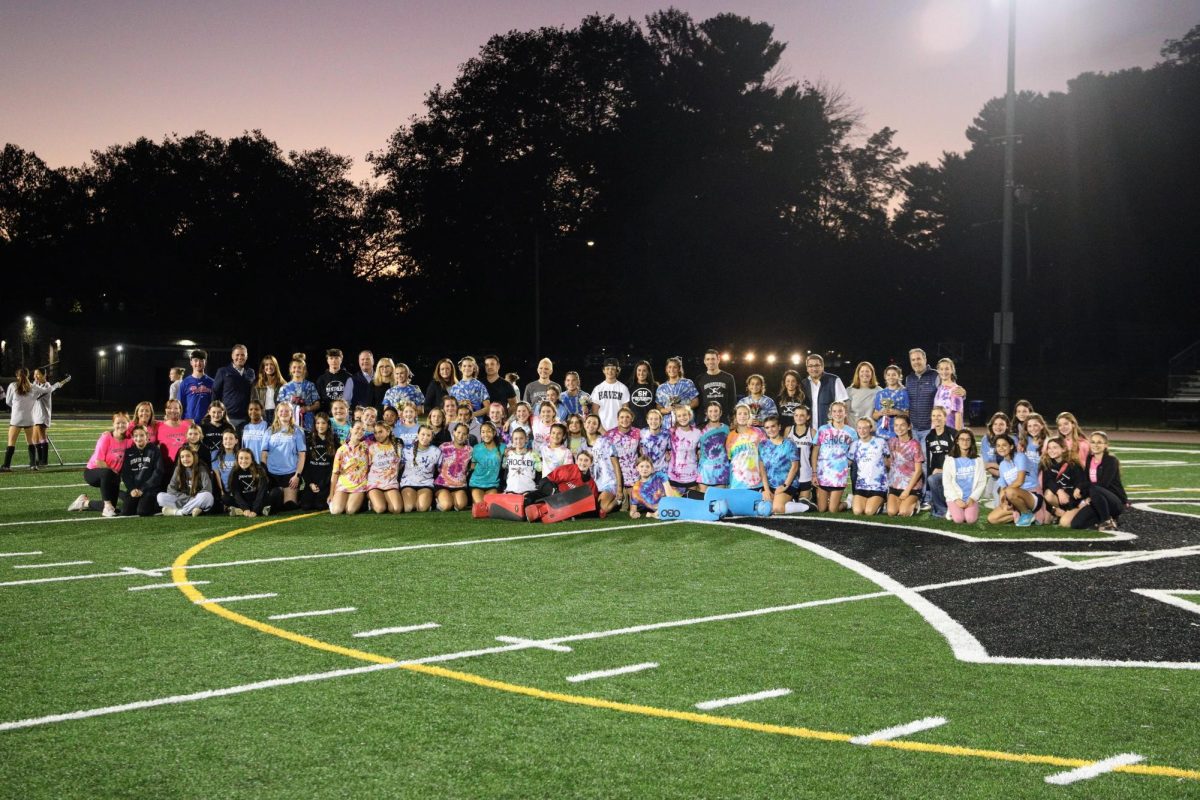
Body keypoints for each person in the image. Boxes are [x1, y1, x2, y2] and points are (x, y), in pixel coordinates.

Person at [4, 368, 70, 472]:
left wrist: (17, 407)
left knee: (11, 443)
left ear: (17, 376)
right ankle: (33, 465)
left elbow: (8, 401)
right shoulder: (34, 387)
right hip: (29, 418)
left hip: (16, 419)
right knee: (30, 443)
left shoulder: (13, 385)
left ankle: (6, 466)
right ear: (28, 375)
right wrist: (59, 383)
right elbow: (49, 390)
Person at [69, 412, 131, 517]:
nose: (121, 425)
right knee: (107, 473)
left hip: (114, 476)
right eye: (118, 423)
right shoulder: (106, 438)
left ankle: (84, 503)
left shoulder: (129, 441)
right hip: (94, 473)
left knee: (114, 508)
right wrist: (114, 472)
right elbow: (99, 461)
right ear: (113, 424)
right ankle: (107, 506)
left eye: (124, 423)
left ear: (129, 424)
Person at [1071, 431, 1127, 531]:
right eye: (1092, 442)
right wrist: (1082, 489)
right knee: (1077, 524)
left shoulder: (1111, 461)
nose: (1095, 445)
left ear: (1105, 445)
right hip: (1097, 499)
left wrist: (1084, 489)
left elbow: (1103, 484)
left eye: (1099, 442)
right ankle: (1109, 520)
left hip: (1114, 501)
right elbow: (1086, 479)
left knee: (1094, 488)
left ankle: (1107, 522)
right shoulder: (1090, 459)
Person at [259, 401, 307, 511]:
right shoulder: (269, 431)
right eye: (281, 411)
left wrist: (297, 476)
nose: (284, 413)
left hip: (290, 475)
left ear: (291, 413)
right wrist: (265, 475)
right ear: (277, 413)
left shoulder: (298, 431)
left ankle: (296, 495)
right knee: (274, 499)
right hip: (272, 474)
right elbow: (264, 455)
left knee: (289, 506)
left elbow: (302, 455)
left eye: (287, 411)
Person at [986, 435, 1042, 527]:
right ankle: (1019, 514)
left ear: (1011, 446)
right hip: (1014, 497)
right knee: (992, 518)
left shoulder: (1020, 457)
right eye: (998, 446)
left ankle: (1027, 514)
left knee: (1009, 491)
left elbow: (1019, 481)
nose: (1001, 448)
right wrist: (1003, 502)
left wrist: (1006, 493)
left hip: (1032, 495)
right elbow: (1002, 487)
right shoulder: (1002, 465)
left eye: (1004, 445)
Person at [812, 400, 854, 513]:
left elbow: (855, 451)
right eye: (834, 411)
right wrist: (814, 473)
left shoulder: (851, 432)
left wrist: (846, 463)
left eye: (840, 411)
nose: (837, 414)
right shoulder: (823, 429)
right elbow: (815, 451)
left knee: (833, 510)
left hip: (839, 475)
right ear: (830, 413)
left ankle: (848, 502)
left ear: (845, 413)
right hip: (823, 473)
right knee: (821, 509)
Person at [119, 425, 166, 516]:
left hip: (150, 489)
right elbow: (126, 474)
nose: (138, 438)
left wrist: (143, 489)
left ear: (147, 436)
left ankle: (158, 505)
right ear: (132, 437)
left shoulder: (154, 450)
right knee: (125, 512)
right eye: (135, 436)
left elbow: (158, 472)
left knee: (142, 511)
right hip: (135, 489)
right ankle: (122, 494)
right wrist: (132, 489)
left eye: (141, 435)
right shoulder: (129, 452)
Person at [725, 404, 769, 501]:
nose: (742, 416)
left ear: (750, 416)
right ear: (735, 417)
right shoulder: (730, 436)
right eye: (739, 414)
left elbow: (765, 455)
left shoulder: (758, 433)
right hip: (736, 482)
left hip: (755, 481)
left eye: (745, 414)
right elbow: (730, 459)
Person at [1040, 436, 1085, 527]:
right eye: (1049, 448)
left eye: (1055, 447)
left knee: (1065, 523)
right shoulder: (1047, 463)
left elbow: (1081, 483)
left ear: (1064, 449)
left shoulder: (1073, 464)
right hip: (1058, 500)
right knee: (1045, 520)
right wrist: (1059, 492)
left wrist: (1071, 497)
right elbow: (1048, 482)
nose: (1051, 450)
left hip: (1073, 500)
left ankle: (1078, 512)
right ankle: (1059, 512)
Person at [759, 415, 800, 514]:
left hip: (787, 484)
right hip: (769, 485)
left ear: (779, 427)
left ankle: (798, 504)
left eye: (773, 426)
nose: (770, 430)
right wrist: (766, 489)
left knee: (777, 509)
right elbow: (762, 469)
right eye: (767, 427)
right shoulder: (762, 445)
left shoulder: (789, 444)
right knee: (763, 509)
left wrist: (784, 486)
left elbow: (795, 467)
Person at [848, 417, 889, 516]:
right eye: (859, 428)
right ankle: (853, 500)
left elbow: (889, 462)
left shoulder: (881, 442)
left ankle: (883, 501)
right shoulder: (855, 445)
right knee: (858, 511)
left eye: (865, 428)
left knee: (869, 512)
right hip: (861, 485)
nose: (862, 431)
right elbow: (848, 463)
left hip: (878, 486)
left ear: (871, 429)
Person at [944, 430, 987, 524]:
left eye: (968, 439)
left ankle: (971, 510)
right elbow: (947, 483)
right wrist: (956, 499)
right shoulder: (949, 459)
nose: (965, 442)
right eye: (962, 439)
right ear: (957, 441)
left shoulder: (978, 459)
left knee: (970, 520)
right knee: (958, 519)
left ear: (971, 442)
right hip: (955, 497)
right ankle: (951, 508)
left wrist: (972, 498)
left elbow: (982, 482)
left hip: (970, 498)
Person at [157, 447, 215, 517]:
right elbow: (171, 489)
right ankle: (193, 509)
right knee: (160, 497)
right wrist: (188, 499)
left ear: (194, 456)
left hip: (197, 499)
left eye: (188, 456)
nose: (185, 459)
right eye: (182, 457)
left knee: (207, 496)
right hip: (184, 500)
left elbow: (208, 489)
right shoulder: (178, 469)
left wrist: (195, 499)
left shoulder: (201, 468)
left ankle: (179, 512)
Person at [885, 415, 923, 517]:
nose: (899, 428)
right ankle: (897, 502)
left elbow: (919, 470)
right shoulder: (891, 442)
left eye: (902, 425)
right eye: (896, 425)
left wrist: (907, 491)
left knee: (903, 512)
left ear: (909, 427)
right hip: (895, 485)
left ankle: (915, 503)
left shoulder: (915, 445)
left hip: (911, 487)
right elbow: (888, 462)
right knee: (891, 512)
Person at [329, 422, 370, 515]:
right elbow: (335, 473)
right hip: (343, 484)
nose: (360, 431)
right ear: (351, 429)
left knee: (350, 510)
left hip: (359, 485)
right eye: (358, 428)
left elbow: (370, 468)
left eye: (363, 430)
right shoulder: (341, 449)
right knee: (336, 511)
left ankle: (363, 502)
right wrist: (331, 493)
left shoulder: (366, 448)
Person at [227, 448, 281, 518]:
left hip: (259, 501)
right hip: (245, 501)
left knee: (276, 492)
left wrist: (255, 509)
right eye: (241, 458)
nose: (243, 461)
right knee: (225, 498)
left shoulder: (259, 469)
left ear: (252, 460)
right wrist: (245, 507)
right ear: (237, 459)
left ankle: (241, 511)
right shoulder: (234, 472)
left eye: (247, 458)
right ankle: (260, 511)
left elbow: (262, 491)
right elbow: (236, 492)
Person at [925, 406, 957, 519]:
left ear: (945, 418)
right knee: (931, 478)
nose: (936, 418)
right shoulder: (929, 436)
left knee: (934, 479)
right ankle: (942, 510)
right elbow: (929, 461)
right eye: (934, 416)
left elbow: (958, 458)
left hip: (953, 472)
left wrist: (945, 470)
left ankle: (943, 510)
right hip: (937, 473)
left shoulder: (953, 434)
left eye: (939, 415)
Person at [211, 344, 255, 427]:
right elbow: (215, 393)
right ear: (232, 356)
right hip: (228, 417)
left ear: (246, 356)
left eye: (242, 355)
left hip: (246, 418)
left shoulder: (250, 372)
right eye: (237, 355)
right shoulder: (222, 371)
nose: (240, 357)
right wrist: (216, 414)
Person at [302, 413, 338, 511]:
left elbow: (334, 466)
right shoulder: (309, 439)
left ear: (328, 425)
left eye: (323, 423)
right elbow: (305, 465)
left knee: (320, 506)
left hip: (325, 481)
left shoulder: (334, 440)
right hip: (312, 480)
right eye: (318, 423)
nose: (320, 426)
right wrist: (310, 483)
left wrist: (325, 484)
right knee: (306, 506)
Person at [607, 406, 642, 507]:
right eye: (621, 417)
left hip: (634, 477)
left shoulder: (638, 433)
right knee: (620, 508)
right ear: (617, 419)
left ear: (632, 418)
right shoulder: (610, 434)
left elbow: (642, 453)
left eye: (627, 417)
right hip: (616, 477)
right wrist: (619, 487)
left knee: (638, 505)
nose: (624, 420)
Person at [366, 421, 404, 513]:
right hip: (375, 483)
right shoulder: (372, 448)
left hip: (390, 483)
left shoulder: (398, 447)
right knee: (380, 509)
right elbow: (367, 467)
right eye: (375, 433)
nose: (378, 435)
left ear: (388, 431)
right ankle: (371, 501)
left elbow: (401, 465)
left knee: (396, 509)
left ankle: (384, 499)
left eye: (380, 432)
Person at [803, 354, 849, 429]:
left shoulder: (834, 380)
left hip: (830, 430)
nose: (814, 369)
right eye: (810, 366)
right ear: (807, 368)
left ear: (822, 366)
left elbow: (843, 407)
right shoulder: (803, 384)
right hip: (809, 431)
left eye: (817, 365)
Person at [30, 368, 65, 467]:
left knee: (42, 436)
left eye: (38, 374)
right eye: (34, 374)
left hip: (43, 414)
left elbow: (37, 395)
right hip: (35, 415)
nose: (35, 376)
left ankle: (44, 460)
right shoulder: (36, 385)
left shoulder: (47, 385)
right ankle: (39, 459)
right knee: (35, 438)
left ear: (44, 375)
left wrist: (56, 385)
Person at [279, 357, 320, 431]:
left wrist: (307, 408)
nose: (297, 369)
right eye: (294, 367)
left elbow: (317, 405)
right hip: (289, 424)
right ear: (290, 370)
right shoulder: (284, 388)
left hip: (308, 424)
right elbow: (279, 408)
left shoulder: (310, 385)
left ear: (304, 370)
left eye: (299, 367)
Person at [697, 401, 731, 491]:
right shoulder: (700, 429)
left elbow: (730, 448)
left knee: (720, 500)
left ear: (720, 413)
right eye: (710, 411)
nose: (713, 414)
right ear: (706, 413)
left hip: (721, 470)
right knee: (704, 500)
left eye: (716, 411)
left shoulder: (727, 429)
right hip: (704, 470)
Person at [667, 405, 701, 493]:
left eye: (684, 415)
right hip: (674, 474)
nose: (682, 418)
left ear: (689, 415)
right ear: (676, 418)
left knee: (691, 503)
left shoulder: (697, 432)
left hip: (691, 473)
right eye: (679, 416)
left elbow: (700, 450)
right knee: (675, 504)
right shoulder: (671, 432)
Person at [469, 422, 505, 503]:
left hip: (493, 484)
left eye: (489, 431)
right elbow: (473, 465)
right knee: (480, 505)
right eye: (483, 432)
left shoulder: (502, 447)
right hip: (476, 483)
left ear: (494, 432)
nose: (486, 434)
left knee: (490, 506)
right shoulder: (476, 448)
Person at [590, 358, 630, 431]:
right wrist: (600, 428)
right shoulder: (598, 388)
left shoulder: (623, 388)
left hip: (619, 429)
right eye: (607, 368)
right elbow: (595, 411)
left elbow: (626, 411)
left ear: (617, 371)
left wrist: (621, 428)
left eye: (613, 369)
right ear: (603, 370)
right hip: (601, 428)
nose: (610, 371)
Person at [785, 405, 815, 504]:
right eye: (796, 415)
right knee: (785, 503)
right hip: (790, 474)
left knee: (804, 504)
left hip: (805, 473)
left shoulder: (812, 432)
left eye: (802, 415)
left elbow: (816, 455)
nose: (799, 418)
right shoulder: (788, 430)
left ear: (808, 417)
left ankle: (809, 495)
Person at [699, 349, 737, 424]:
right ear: (704, 361)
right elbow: (699, 401)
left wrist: (732, 419)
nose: (710, 362)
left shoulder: (728, 377)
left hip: (724, 420)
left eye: (713, 359)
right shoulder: (700, 379)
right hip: (706, 420)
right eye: (708, 359)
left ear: (718, 360)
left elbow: (732, 401)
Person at [872, 365, 909, 439]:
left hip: (899, 432)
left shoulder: (905, 393)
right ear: (885, 377)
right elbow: (874, 416)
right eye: (888, 375)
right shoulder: (880, 394)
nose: (891, 377)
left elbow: (909, 415)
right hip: (881, 433)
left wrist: (897, 412)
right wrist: (881, 413)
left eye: (894, 375)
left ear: (899, 376)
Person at [501, 428, 541, 495]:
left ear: (526, 439)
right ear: (512, 440)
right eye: (516, 439)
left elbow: (539, 469)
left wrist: (537, 458)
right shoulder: (509, 454)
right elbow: (503, 466)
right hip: (511, 490)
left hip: (529, 490)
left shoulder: (533, 454)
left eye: (521, 438)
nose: (518, 441)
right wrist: (505, 455)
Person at [179, 350, 214, 424]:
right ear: (191, 362)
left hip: (207, 423)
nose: (198, 363)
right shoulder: (185, 383)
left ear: (205, 362)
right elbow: (180, 406)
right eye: (195, 360)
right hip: (189, 423)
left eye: (201, 360)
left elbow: (215, 405)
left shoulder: (212, 383)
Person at [210, 429, 240, 513]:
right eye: (225, 439)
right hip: (224, 491)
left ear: (236, 441)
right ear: (222, 441)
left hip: (237, 490)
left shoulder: (240, 454)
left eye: (231, 438)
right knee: (224, 499)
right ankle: (234, 508)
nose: (228, 441)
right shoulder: (215, 454)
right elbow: (217, 475)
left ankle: (236, 508)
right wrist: (222, 491)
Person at [934, 358, 965, 431]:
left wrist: (956, 437)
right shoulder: (939, 388)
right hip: (940, 432)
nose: (944, 371)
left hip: (951, 432)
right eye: (941, 369)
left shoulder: (955, 389)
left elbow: (958, 415)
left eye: (947, 369)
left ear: (952, 370)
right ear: (938, 371)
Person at [252, 355, 285, 423]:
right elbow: (253, 403)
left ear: (275, 367)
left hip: (278, 415)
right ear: (263, 367)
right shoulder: (257, 384)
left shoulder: (283, 384)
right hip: (262, 415)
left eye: (271, 364)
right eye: (266, 365)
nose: (269, 367)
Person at [847, 362, 881, 426]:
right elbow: (846, 413)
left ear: (872, 374)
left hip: (872, 430)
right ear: (858, 374)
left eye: (867, 371)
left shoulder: (879, 391)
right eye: (862, 371)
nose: (865, 374)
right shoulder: (849, 391)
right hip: (854, 431)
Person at [158, 399, 190, 464]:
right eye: (169, 408)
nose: (173, 410)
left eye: (176, 408)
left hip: (185, 465)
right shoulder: (158, 426)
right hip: (167, 466)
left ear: (180, 410)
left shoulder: (188, 425)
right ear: (165, 410)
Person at [627, 360, 657, 429]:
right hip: (633, 427)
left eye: (644, 370)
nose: (641, 373)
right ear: (636, 371)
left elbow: (657, 408)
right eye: (639, 370)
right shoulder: (629, 386)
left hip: (650, 426)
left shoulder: (654, 387)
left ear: (648, 372)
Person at [639, 408, 671, 473]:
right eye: (651, 419)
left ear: (661, 421)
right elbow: (639, 449)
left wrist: (669, 455)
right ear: (647, 420)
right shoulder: (642, 432)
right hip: (646, 470)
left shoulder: (666, 433)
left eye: (656, 419)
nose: (653, 421)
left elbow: (671, 449)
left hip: (662, 469)